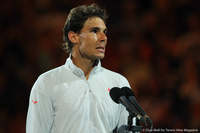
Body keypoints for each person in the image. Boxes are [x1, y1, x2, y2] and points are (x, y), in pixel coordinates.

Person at [26, 3, 133, 133]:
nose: (103, 38)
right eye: (94, 31)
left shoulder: (119, 84)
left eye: (104, 32)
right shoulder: (46, 83)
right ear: (74, 37)